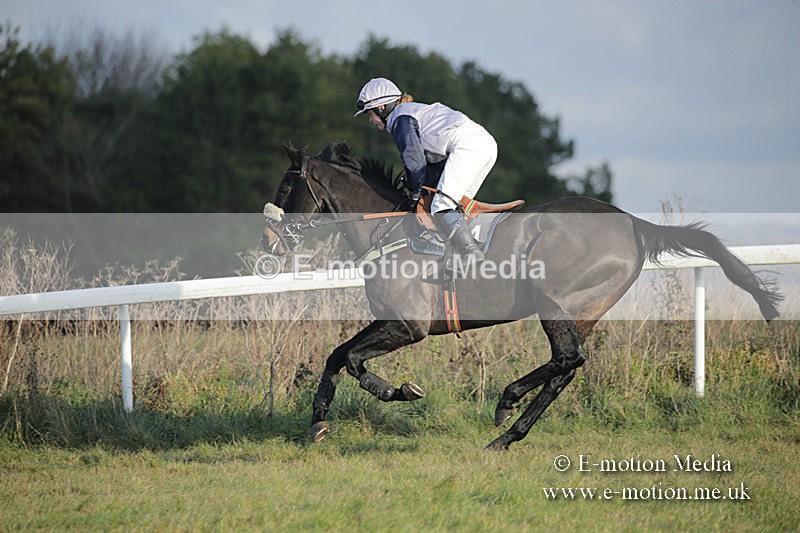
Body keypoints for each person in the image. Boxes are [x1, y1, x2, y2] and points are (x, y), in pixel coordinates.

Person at [354, 77, 497, 269]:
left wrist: (414, 192)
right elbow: (430, 165)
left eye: (370, 114)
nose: (371, 120)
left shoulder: (400, 119)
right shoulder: (410, 112)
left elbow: (415, 163)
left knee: (441, 206)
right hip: (485, 145)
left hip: (467, 147)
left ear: (382, 108)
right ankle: (463, 250)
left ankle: (470, 253)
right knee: (458, 207)